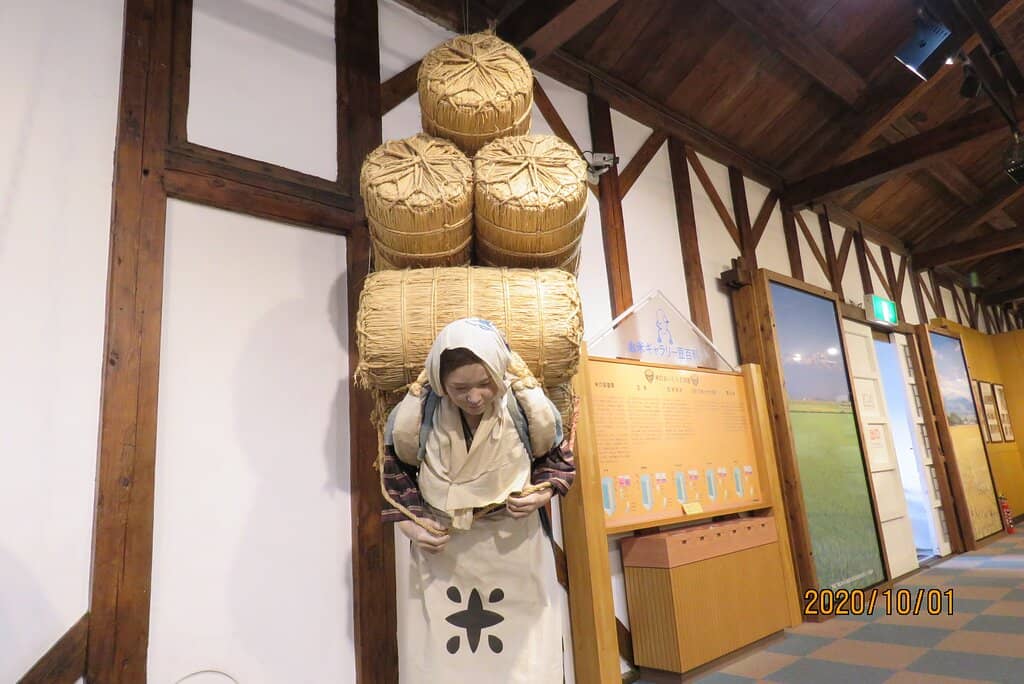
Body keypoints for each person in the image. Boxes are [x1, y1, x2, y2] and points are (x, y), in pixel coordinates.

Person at [380, 317, 575, 682]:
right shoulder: (417, 416)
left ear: (499, 372)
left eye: (486, 384)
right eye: (459, 388)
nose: (474, 397)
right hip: (444, 551)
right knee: (446, 660)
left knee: (523, 659)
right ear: (440, 384)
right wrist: (412, 526)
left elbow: (558, 463)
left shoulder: (526, 409)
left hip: (514, 544)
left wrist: (541, 495)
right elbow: (395, 479)